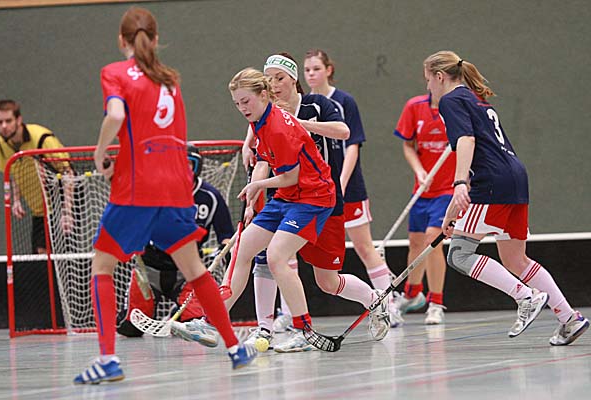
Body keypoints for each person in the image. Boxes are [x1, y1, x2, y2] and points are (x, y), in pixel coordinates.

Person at [73, 7, 255, 385]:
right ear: (155, 39)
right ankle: (235, 348)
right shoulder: (170, 80)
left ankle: (107, 359)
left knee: (102, 267)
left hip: (137, 188)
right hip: (176, 188)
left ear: (121, 40)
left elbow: (116, 116)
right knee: (196, 270)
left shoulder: (115, 73)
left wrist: (100, 152)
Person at [175, 67, 389, 353]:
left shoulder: (279, 126)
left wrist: (258, 185)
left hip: (314, 197)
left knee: (282, 258)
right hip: (288, 196)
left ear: (263, 95)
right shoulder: (259, 121)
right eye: (237, 104)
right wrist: (254, 190)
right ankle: (211, 322)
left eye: (246, 102)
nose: (242, 108)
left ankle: (304, 330)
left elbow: (290, 176)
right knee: (244, 248)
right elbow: (268, 164)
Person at [426, 50, 589, 344]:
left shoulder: (450, 100)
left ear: (439, 77)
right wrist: (451, 215)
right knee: (516, 259)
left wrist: (459, 183)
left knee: (459, 255)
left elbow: (467, 140)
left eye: (427, 80)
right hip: (515, 178)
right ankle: (569, 319)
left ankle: (525, 296)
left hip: (492, 182)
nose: (428, 88)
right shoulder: (475, 98)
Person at [239, 53, 395, 350]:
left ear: (293, 79)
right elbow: (262, 157)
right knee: (271, 258)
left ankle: (374, 299)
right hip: (285, 197)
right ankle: (271, 328)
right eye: (269, 79)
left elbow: (344, 131)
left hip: (321, 199)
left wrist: (298, 124)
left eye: (280, 78)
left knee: (327, 281)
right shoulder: (266, 113)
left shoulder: (317, 105)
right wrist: (252, 194)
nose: (274, 84)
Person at [303, 49, 402, 324]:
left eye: (316, 68)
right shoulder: (305, 105)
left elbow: (352, 146)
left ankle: (389, 305)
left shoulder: (344, 101)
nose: (311, 74)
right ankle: (290, 315)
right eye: (307, 69)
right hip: (316, 193)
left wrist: (341, 184)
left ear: (329, 70)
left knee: (364, 247)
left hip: (348, 189)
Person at [116, 143, 235, 342]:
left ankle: (177, 313)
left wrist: (225, 248)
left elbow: (226, 234)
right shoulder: (153, 192)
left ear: (197, 167)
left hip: (187, 272)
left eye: (188, 164)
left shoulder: (210, 197)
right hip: (150, 270)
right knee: (130, 329)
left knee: (194, 322)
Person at [393, 92, 456, 324]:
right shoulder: (414, 106)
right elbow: (408, 145)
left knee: (433, 240)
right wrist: (419, 171)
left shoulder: (457, 108)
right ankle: (412, 294)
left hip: (448, 189)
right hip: (423, 189)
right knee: (416, 243)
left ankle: (436, 303)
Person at [0, 99, 73, 254]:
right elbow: (13, 170)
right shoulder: (2, 143)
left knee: (62, 254)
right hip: (39, 208)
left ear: (18, 120)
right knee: (39, 253)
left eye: (8, 121)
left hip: (63, 199)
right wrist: (16, 200)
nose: (4, 126)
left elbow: (68, 173)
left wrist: (68, 212)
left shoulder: (42, 139)